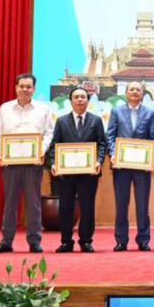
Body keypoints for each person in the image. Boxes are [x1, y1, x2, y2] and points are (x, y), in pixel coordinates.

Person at [0, 74, 54, 254]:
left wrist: (41, 150)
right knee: (10, 203)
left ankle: (34, 241)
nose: (25, 90)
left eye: (28, 87)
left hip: (33, 162)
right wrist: (0, 154)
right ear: (16, 88)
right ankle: (6, 241)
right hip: (10, 163)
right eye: (22, 86)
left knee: (33, 203)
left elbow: (49, 133)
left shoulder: (43, 108)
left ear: (34, 89)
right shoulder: (5, 108)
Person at [46, 86, 107, 253]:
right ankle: (66, 241)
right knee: (66, 207)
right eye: (76, 97)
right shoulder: (61, 121)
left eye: (83, 97)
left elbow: (102, 144)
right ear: (71, 101)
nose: (80, 99)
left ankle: (86, 241)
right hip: (67, 173)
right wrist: (54, 163)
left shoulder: (96, 120)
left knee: (87, 208)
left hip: (89, 172)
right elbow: (54, 146)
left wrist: (98, 161)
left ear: (88, 100)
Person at [107, 81, 154, 252]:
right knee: (121, 204)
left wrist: (151, 157)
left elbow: (153, 138)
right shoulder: (116, 111)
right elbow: (110, 136)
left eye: (138, 89)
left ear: (142, 93)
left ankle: (143, 240)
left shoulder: (150, 112)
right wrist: (113, 154)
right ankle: (121, 240)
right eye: (132, 89)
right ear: (126, 92)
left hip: (142, 167)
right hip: (121, 166)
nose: (135, 92)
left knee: (142, 205)